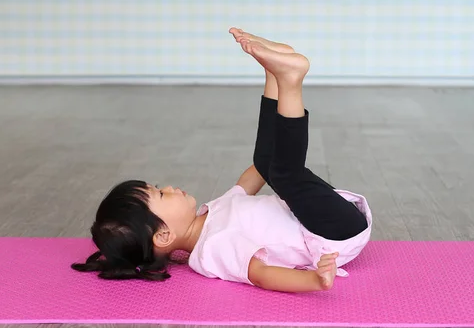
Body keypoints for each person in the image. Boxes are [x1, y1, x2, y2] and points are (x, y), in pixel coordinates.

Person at [72, 28, 372, 292]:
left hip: (323, 217)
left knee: (269, 164)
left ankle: (274, 75)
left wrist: (271, 153)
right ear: (163, 234)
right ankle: (291, 80)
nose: (172, 188)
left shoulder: (211, 214)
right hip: (331, 237)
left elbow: (252, 176)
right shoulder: (211, 251)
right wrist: (314, 281)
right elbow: (262, 274)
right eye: (161, 194)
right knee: (283, 173)